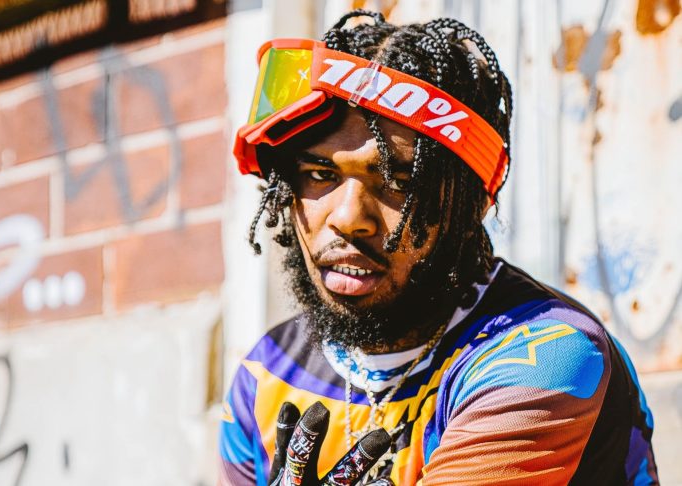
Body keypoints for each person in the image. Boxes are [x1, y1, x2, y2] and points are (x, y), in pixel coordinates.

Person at [219, 10, 658, 485]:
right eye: (320, 174)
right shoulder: (266, 374)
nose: (347, 218)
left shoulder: (546, 352)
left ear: (472, 206)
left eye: (398, 182)